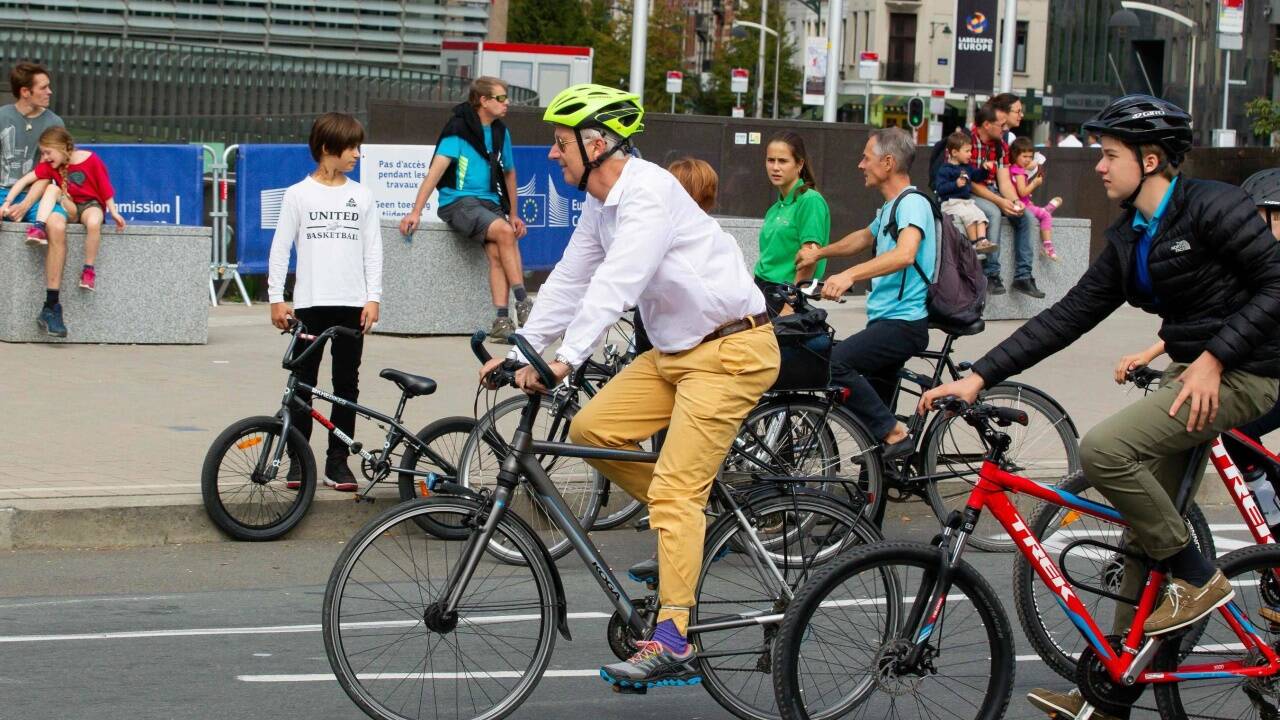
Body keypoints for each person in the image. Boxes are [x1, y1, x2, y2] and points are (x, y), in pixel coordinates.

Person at [920, 95, 1280, 720]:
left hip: (1254, 371)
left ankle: (1198, 578)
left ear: (1150, 159)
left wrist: (1216, 358)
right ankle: (1111, 690)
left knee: (1105, 449)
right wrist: (979, 376)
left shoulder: (1215, 207)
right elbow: (1067, 317)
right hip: (1196, 374)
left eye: (1109, 155)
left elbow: (1278, 283)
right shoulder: (1130, 237)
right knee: (1146, 533)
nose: (1098, 167)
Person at [477, 83, 778, 690]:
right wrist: (522, 350)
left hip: (731, 350)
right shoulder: (600, 202)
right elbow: (568, 279)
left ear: (597, 144)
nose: (553, 155)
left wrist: (563, 362)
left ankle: (672, 638)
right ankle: (691, 525)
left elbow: (617, 281)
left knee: (672, 492)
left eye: (561, 144)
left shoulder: (649, 194)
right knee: (593, 431)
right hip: (676, 353)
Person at [1116, 166, 1280, 546]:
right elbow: (1216, 323)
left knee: (1238, 432)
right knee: (1232, 435)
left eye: (1259, 217)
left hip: (1270, 377)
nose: (1249, 225)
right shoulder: (1251, 262)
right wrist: (1151, 351)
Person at [795, 127, 936, 461]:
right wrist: (821, 254)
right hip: (885, 321)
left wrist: (849, 275)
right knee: (871, 434)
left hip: (903, 324)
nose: (860, 164)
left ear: (887, 162)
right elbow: (862, 237)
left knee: (835, 362)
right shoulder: (891, 207)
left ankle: (896, 434)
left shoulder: (913, 204)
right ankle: (870, 501)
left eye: (865, 157)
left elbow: (905, 254)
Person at [268, 113, 382, 492]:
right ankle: (299, 460)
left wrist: (373, 297)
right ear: (327, 148)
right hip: (310, 304)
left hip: (352, 305)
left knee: (346, 385)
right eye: (351, 147)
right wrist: (276, 299)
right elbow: (280, 249)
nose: (357, 154)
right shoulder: (298, 194)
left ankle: (338, 461)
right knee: (303, 385)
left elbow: (373, 252)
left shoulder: (361, 196)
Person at [398, 76, 529, 341]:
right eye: (501, 98)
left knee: (496, 252)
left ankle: (502, 322)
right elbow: (434, 174)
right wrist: (416, 211)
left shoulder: (501, 131)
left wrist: (514, 214)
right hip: (457, 203)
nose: (507, 103)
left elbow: (511, 174)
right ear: (483, 100)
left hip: (490, 202)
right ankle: (524, 303)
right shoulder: (457, 129)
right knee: (504, 232)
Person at [1, 127, 125, 295]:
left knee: (94, 222)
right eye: (42, 153)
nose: (44, 158)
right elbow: (24, 181)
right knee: (51, 189)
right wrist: (7, 202)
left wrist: (114, 212)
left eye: (47, 152)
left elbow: (105, 189)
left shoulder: (91, 159)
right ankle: (39, 227)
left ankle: (88, 269)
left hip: (91, 205)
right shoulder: (51, 166)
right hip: (71, 206)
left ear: (61, 147)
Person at [0, 63, 68, 336]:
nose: (50, 92)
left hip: (39, 194)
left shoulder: (54, 123)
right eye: (44, 87)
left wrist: (26, 204)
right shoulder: (3, 117)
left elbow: (49, 171)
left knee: (57, 226)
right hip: (3, 189)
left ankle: (51, 307)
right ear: (25, 91)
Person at [969, 104, 1043, 298]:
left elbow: (1004, 182)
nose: (1004, 129)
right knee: (993, 212)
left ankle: (1023, 276)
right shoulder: (967, 141)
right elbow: (968, 182)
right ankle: (991, 274)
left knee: (1026, 216)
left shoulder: (1000, 145)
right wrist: (1000, 202)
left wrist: (1014, 202)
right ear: (986, 124)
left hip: (993, 191)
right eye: (1000, 125)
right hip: (969, 193)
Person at [753, 131, 830, 315]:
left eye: (783, 161)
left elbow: (809, 259)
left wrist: (790, 305)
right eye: (771, 160)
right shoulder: (775, 208)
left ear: (799, 164)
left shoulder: (810, 200)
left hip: (784, 295)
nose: (775, 167)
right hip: (761, 291)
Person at [933, 130, 996, 253]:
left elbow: (977, 177)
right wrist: (955, 184)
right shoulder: (945, 169)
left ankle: (982, 241)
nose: (970, 154)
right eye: (967, 151)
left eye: (970, 151)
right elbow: (940, 188)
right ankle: (973, 244)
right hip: (951, 203)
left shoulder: (967, 167)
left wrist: (984, 169)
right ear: (955, 152)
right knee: (970, 217)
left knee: (980, 215)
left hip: (966, 202)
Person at [1008, 137, 1063, 261]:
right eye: (1024, 156)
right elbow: (1022, 192)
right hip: (1022, 206)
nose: (1028, 160)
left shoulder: (1014, 169)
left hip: (1024, 204)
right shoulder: (1020, 172)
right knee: (1046, 216)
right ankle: (1048, 247)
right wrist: (1034, 184)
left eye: (1030, 156)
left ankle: (1045, 209)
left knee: (1040, 212)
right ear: (1015, 155)